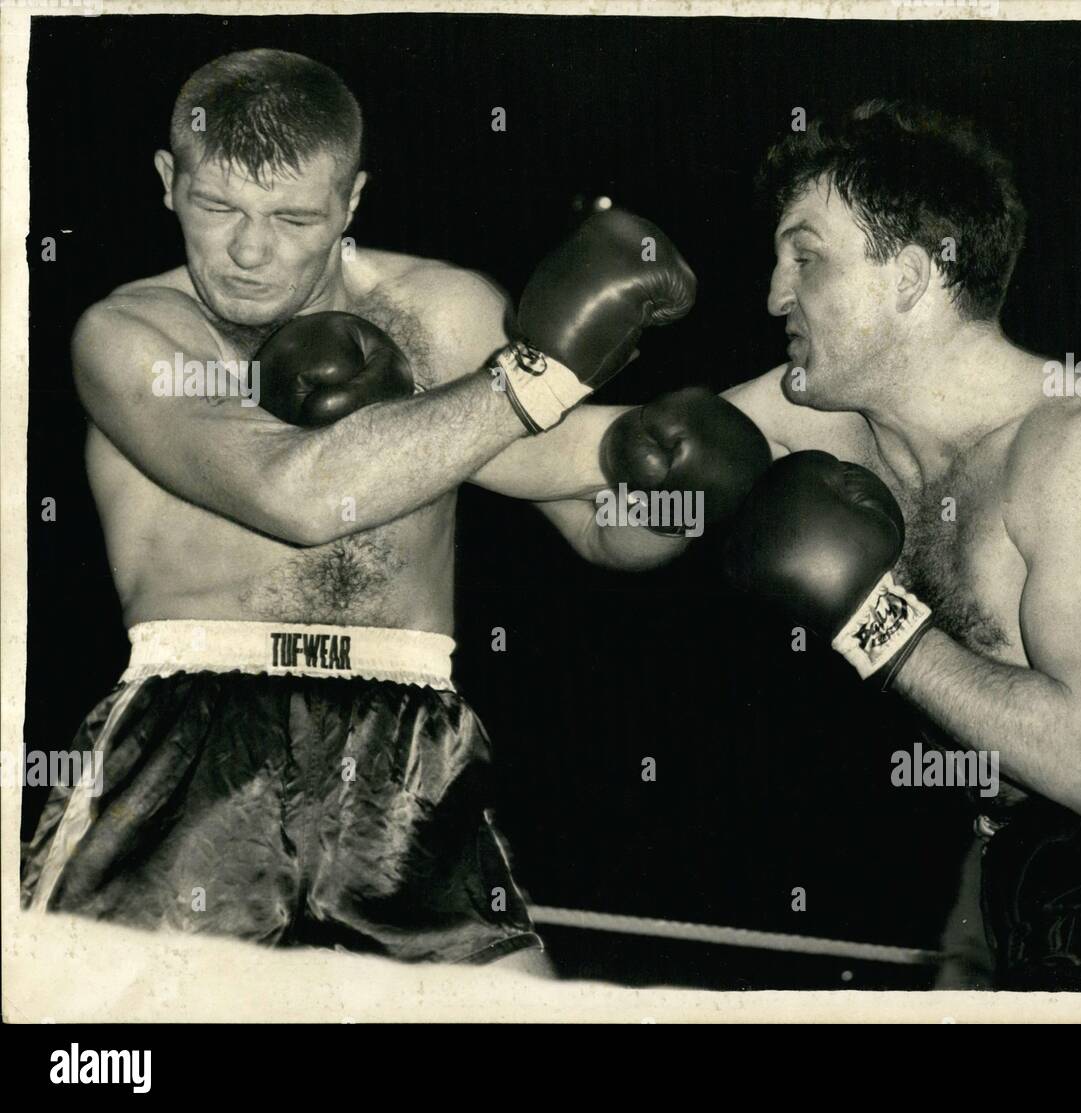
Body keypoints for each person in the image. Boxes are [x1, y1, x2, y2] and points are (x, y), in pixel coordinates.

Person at [20, 48, 768, 968]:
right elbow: (293, 491)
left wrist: (686, 490)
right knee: (101, 1054)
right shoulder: (131, 334)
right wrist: (536, 378)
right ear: (169, 181)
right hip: (192, 739)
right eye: (218, 207)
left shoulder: (444, 313)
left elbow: (594, 517)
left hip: (412, 744)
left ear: (352, 201)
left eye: (293, 217)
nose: (248, 250)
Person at [723, 101, 1081, 993]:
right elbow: (588, 459)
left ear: (906, 277)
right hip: (1014, 849)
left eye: (806, 256)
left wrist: (871, 617)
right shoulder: (835, 420)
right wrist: (526, 372)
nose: (776, 293)